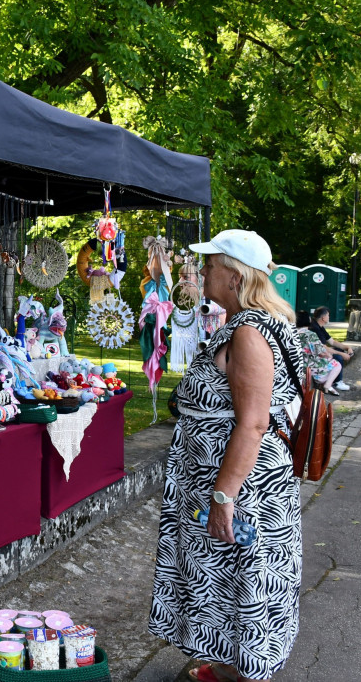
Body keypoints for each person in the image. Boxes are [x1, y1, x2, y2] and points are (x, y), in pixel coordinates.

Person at [148, 230, 305, 682]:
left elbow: (253, 422)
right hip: (235, 480)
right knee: (228, 579)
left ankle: (241, 674)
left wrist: (223, 497)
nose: (203, 272)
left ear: (234, 278)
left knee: (242, 576)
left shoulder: (251, 333)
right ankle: (226, 667)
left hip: (243, 488)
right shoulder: (246, 323)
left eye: (211, 265)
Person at [308, 306, 353, 390]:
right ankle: (337, 382)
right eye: (328, 315)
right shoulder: (315, 328)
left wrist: (347, 347)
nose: (329, 317)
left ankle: (334, 380)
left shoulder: (320, 326)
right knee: (338, 356)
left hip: (319, 351)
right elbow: (323, 348)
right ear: (323, 317)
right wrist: (342, 354)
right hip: (315, 355)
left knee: (340, 350)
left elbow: (332, 342)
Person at [296, 313, 342, 395]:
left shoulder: (294, 334)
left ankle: (325, 385)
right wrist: (329, 355)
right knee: (337, 364)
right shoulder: (310, 334)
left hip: (299, 365)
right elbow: (321, 352)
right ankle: (327, 385)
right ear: (308, 320)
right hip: (313, 368)